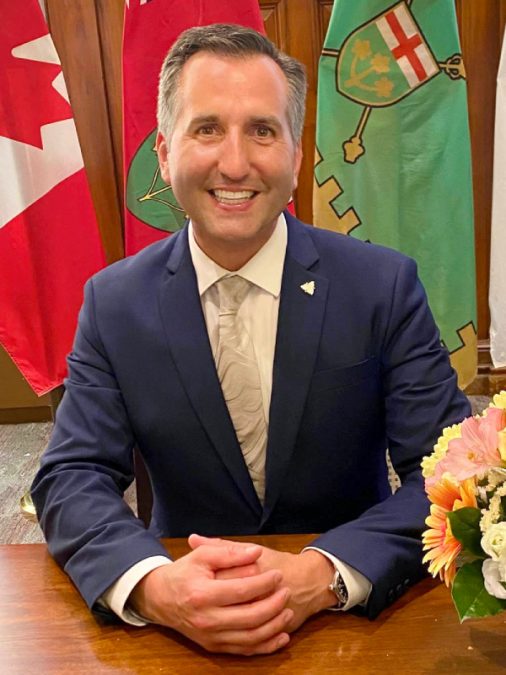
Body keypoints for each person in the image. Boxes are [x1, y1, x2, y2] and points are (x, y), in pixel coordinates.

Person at [31, 24, 470, 656]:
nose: (235, 164)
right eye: (207, 129)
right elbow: (72, 475)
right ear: (164, 154)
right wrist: (154, 585)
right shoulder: (113, 303)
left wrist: (324, 574)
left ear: (296, 156)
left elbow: (448, 473)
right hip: (177, 633)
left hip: (350, 625)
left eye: (262, 131)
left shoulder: (384, 286)